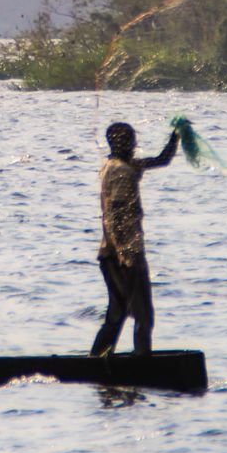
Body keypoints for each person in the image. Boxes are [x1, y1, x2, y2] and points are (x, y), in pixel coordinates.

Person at [91, 120, 180, 357]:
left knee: (117, 314)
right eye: (130, 140)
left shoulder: (116, 165)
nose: (134, 144)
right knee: (143, 314)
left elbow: (161, 160)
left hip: (110, 254)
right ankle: (142, 363)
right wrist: (125, 255)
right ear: (124, 143)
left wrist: (176, 137)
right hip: (124, 255)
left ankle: (98, 360)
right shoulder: (121, 171)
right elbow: (115, 216)